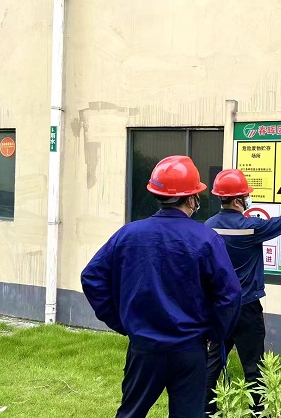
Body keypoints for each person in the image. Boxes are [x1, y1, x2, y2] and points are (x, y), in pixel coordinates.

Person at [81, 155, 242, 418]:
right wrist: (215, 333)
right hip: (190, 350)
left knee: (131, 413)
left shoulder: (128, 234)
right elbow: (230, 294)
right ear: (192, 199)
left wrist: (122, 322)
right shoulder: (205, 238)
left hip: (144, 347)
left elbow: (92, 277)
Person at [203, 168, 281, 415]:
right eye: (245, 195)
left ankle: (205, 409)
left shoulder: (209, 226)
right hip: (247, 307)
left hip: (220, 307)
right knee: (253, 365)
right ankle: (257, 411)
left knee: (214, 360)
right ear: (237, 200)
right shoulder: (250, 227)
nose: (247, 199)